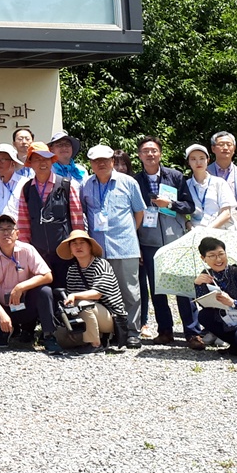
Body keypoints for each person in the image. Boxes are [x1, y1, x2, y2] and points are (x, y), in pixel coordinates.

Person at [135, 136, 202, 348]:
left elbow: (189, 206)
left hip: (176, 240)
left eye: (154, 150)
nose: (150, 154)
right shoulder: (135, 180)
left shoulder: (175, 176)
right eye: (145, 151)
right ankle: (165, 331)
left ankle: (192, 332)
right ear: (139, 155)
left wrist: (170, 204)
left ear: (160, 154)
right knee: (157, 288)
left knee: (184, 286)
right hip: (149, 241)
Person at [80, 145, 146, 347]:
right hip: (98, 249)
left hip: (124, 245)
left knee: (130, 292)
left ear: (112, 161)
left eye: (105, 160)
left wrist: (129, 233)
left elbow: (139, 212)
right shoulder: (85, 185)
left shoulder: (128, 182)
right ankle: (109, 331)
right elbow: (83, 212)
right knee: (101, 291)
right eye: (96, 161)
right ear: (91, 164)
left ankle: (133, 332)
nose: (101, 164)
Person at [0, 210, 60, 353]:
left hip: (23, 306)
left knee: (44, 291)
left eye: (9, 228)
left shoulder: (27, 250)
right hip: (0, 306)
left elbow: (47, 275)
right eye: (0, 229)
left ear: (17, 233)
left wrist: (21, 287)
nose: (5, 232)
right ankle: (2, 332)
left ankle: (49, 336)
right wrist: (1, 313)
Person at [13, 141, 85, 288]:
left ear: (52, 161)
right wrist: (26, 252)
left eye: (45, 159)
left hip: (64, 252)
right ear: (30, 163)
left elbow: (77, 220)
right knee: (43, 293)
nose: (42, 163)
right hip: (38, 253)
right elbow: (24, 223)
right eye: (37, 159)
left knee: (66, 291)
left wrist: (78, 247)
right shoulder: (26, 189)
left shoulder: (66, 185)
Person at [53, 230, 133, 352]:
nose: (78, 246)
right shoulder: (72, 270)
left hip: (111, 317)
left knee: (83, 304)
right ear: (70, 249)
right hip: (87, 314)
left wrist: (74, 296)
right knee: (61, 338)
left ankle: (95, 344)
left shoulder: (101, 264)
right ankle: (96, 337)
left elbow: (97, 294)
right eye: (74, 244)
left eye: (82, 243)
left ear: (90, 246)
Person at [184, 144, 237, 230]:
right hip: (195, 232)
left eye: (202, 158)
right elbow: (181, 213)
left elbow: (227, 213)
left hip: (219, 232)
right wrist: (191, 228)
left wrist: (207, 230)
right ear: (188, 162)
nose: (198, 162)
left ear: (208, 160)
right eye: (193, 159)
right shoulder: (186, 185)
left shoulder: (219, 182)